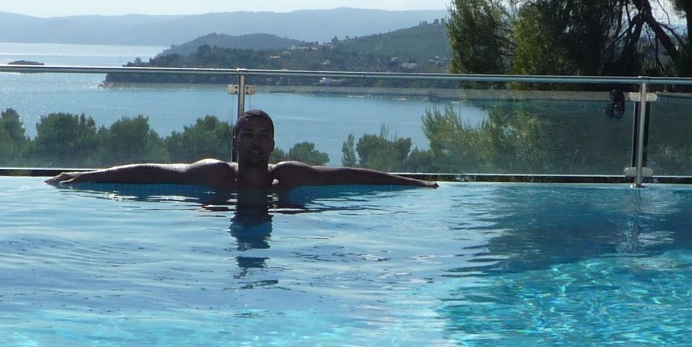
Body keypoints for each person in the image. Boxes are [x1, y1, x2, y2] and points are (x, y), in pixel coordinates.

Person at [46, 109, 437, 191]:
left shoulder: (288, 176)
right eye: (247, 134)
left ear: (272, 143)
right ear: (234, 143)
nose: (255, 141)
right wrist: (84, 177)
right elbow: (151, 172)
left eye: (263, 134)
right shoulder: (216, 174)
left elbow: (350, 175)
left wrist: (412, 182)